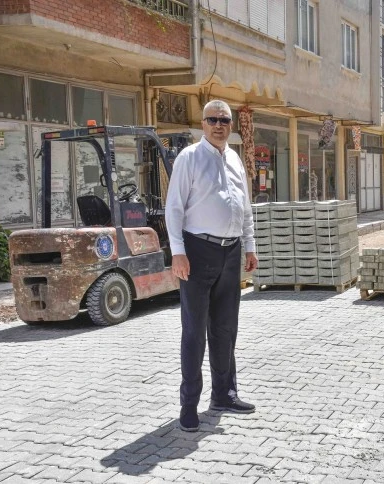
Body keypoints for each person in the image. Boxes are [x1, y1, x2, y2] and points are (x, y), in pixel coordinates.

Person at [165, 100, 259, 432]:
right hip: (197, 252)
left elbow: (245, 207)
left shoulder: (234, 159)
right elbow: (174, 208)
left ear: (231, 125)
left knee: (225, 329)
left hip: (231, 253)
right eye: (212, 119)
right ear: (203, 124)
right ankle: (189, 404)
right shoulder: (189, 158)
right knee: (194, 332)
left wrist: (249, 245)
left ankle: (224, 394)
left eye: (224, 120)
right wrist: (178, 252)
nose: (219, 125)